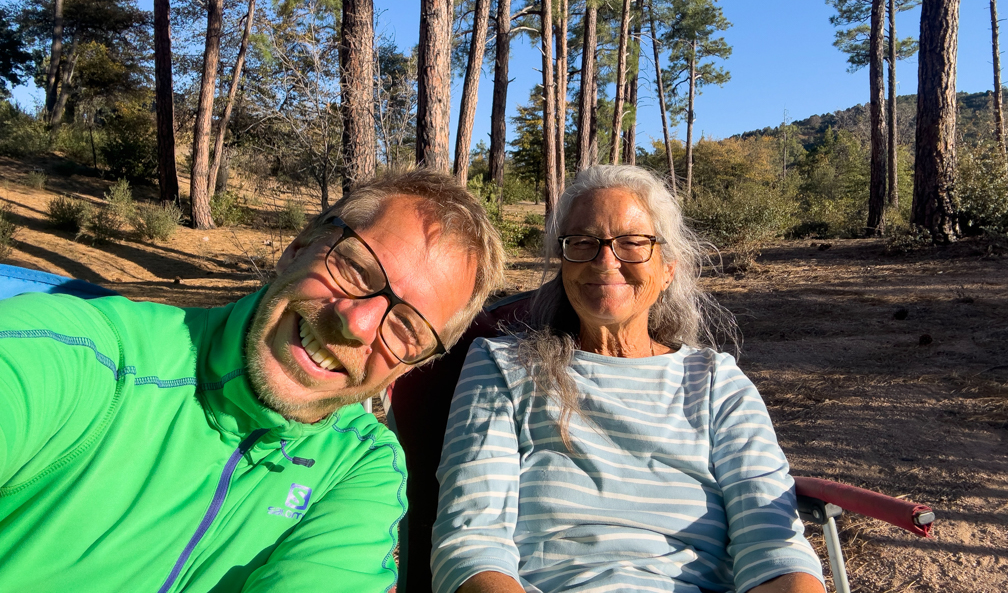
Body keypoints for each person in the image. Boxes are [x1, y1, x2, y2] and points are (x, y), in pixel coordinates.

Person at [0, 170, 504, 593]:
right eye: (355, 269)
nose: (357, 325)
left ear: (411, 364)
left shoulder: (362, 466)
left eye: (406, 328)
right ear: (298, 246)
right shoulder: (86, 356)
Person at [432, 165, 825, 593]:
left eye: (633, 243)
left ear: (668, 267)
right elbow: (472, 541)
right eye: (581, 242)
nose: (605, 261)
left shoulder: (717, 385)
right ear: (563, 264)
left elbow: (774, 548)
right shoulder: (503, 367)